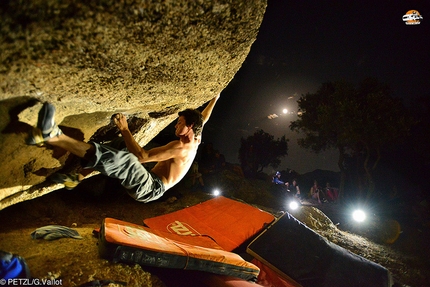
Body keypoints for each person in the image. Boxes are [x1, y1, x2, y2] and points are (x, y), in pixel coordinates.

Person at [26, 94, 220, 203]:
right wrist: (216, 97)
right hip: (150, 180)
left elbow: (142, 156)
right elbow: (205, 116)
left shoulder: (180, 147)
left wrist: (126, 130)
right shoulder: (196, 137)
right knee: (121, 146)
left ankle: (52, 136)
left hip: (151, 188)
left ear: (189, 128)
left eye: (179, 123)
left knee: (126, 160)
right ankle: (76, 178)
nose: (175, 126)